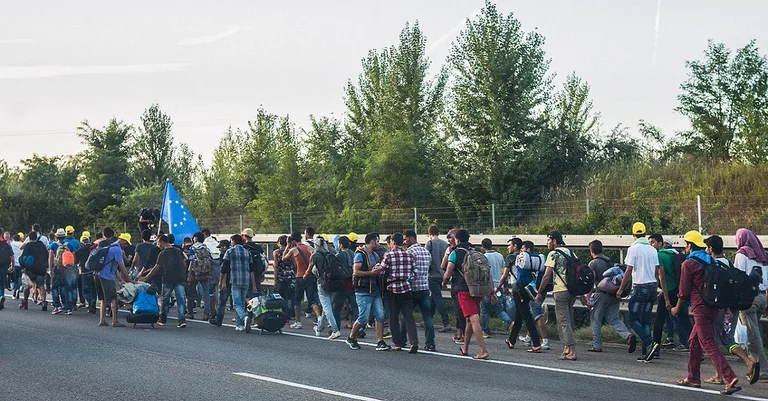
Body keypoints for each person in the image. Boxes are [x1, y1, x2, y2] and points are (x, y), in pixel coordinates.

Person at [673, 231, 742, 395]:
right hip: (714, 307)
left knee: (707, 342)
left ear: (689, 246)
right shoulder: (712, 261)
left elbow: (683, 291)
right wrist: (725, 309)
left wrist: (676, 308)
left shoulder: (688, 264)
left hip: (700, 307)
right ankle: (693, 377)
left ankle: (730, 377)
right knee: (694, 340)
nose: (685, 248)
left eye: (686, 245)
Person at [704, 235, 760, 385]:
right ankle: (749, 362)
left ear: (710, 249)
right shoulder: (729, 264)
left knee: (713, 341)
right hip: (733, 308)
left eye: (706, 247)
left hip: (721, 309)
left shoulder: (713, 265)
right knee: (727, 339)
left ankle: (718, 375)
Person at [616, 222, 668, 362]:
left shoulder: (633, 249)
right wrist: (657, 287)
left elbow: (628, 271)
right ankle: (646, 352)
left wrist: (621, 289)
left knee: (632, 319)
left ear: (633, 234)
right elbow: (657, 271)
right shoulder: (652, 249)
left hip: (640, 287)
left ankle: (649, 342)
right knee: (645, 320)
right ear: (645, 234)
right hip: (652, 287)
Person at [585, 240, 636, 353]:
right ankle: (628, 336)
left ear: (591, 251)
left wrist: (588, 297)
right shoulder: (610, 261)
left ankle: (597, 345)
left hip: (601, 294)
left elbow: (591, 281)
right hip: (614, 294)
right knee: (614, 319)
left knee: (595, 319)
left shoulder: (593, 263)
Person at [444, 229, 489, 360]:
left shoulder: (455, 253)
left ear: (457, 239)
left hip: (463, 289)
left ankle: (483, 350)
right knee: (469, 319)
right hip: (478, 289)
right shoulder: (477, 252)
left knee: (473, 318)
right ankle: (465, 348)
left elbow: (448, 272)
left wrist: (444, 282)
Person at [536, 230, 578, 361]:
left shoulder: (553, 254)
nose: (547, 243)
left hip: (560, 290)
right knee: (566, 321)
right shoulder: (571, 252)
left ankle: (571, 351)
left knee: (563, 321)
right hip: (572, 290)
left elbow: (547, 275)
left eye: (548, 240)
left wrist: (539, 292)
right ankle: (566, 348)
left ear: (554, 241)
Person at [733, 228, 768, 383]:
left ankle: (763, 371)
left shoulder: (742, 254)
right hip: (762, 298)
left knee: (753, 337)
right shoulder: (762, 255)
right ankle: (755, 367)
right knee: (755, 334)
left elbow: (738, 277)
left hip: (749, 300)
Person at [346, 233, 391, 351]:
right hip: (363, 290)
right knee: (363, 318)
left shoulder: (375, 255)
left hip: (375, 290)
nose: (378, 243)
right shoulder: (360, 254)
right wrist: (371, 273)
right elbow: (356, 272)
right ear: (372, 241)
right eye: (377, 241)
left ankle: (380, 341)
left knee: (380, 316)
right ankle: (351, 337)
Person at [140, 234, 188, 328]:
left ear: (162, 242)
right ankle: (181, 320)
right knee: (181, 300)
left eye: (158, 243)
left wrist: (146, 277)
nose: (158, 245)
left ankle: (163, 319)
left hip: (167, 278)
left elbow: (156, 268)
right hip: (180, 278)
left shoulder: (163, 253)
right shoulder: (178, 251)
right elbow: (184, 263)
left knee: (165, 300)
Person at [504, 240, 543, 352]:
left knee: (526, 316)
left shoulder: (519, 259)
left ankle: (536, 343)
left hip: (519, 289)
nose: (521, 251)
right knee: (519, 315)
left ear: (528, 249)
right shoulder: (534, 259)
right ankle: (511, 340)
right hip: (529, 288)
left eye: (523, 248)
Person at [403, 230, 435, 351]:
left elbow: (408, 270)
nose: (405, 242)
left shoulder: (410, 252)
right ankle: (430, 343)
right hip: (425, 288)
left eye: (406, 239)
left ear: (411, 238)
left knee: (407, 315)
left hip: (412, 288)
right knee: (427, 317)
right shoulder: (426, 252)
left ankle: (402, 340)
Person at [283, 231, 320, 329]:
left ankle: (298, 322)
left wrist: (287, 245)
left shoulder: (294, 250)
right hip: (311, 276)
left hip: (300, 276)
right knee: (312, 300)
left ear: (293, 240)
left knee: (297, 300)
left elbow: (284, 258)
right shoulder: (309, 248)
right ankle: (319, 317)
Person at [95, 233, 133, 327]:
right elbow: (121, 266)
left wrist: (120, 280)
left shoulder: (109, 247)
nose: (126, 245)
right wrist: (129, 280)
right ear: (123, 241)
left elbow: (113, 266)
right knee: (113, 298)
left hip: (97, 274)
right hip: (107, 276)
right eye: (126, 243)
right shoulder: (117, 249)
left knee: (103, 299)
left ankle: (102, 320)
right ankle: (115, 321)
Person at [310, 236, 342, 339]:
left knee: (327, 308)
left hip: (322, 283)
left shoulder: (315, 256)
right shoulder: (331, 254)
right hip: (334, 283)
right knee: (326, 307)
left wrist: (306, 275)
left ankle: (335, 330)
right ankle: (319, 328)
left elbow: (310, 270)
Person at [224, 234, 256, 331]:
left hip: (235, 279)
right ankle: (240, 325)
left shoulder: (230, 251)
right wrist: (254, 284)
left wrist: (222, 281)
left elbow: (224, 268)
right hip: (245, 280)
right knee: (242, 302)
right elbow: (251, 270)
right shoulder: (247, 252)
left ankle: (244, 317)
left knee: (236, 303)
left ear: (233, 241)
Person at [481, 238, 512, 338]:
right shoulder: (500, 256)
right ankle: (509, 322)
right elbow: (504, 273)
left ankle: (485, 331)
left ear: (483, 247)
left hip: (488, 286)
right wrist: (505, 286)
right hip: (499, 286)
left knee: (485, 310)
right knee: (499, 309)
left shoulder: (483, 257)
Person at [425, 225, 451, 332]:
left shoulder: (429, 243)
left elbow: (426, 258)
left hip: (432, 275)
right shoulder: (445, 244)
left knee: (437, 297)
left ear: (429, 233)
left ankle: (446, 322)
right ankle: (428, 319)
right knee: (434, 298)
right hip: (443, 274)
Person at [441, 228, 465, 344]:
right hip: (473, 284)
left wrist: (448, 253)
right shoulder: (473, 250)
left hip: (458, 284)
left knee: (459, 310)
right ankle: (461, 333)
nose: (449, 239)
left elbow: (443, 266)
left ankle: (462, 335)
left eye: (451, 237)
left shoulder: (454, 252)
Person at [332, 236, 357, 331]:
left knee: (337, 307)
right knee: (354, 306)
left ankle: (336, 328)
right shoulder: (353, 253)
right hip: (353, 282)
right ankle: (358, 327)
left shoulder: (339, 255)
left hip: (343, 283)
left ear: (340, 244)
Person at [186, 232, 213, 321]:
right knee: (206, 293)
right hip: (205, 272)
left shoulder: (193, 248)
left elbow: (191, 261)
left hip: (195, 272)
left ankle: (190, 312)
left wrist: (189, 274)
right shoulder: (206, 247)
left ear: (196, 238)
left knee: (191, 291)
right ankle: (206, 313)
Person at [20, 231, 49, 311]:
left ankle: (25, 302)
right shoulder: (41, 245)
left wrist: (22, 267)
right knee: (41, 286)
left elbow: (23, 257)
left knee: (27, 286)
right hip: (41, 268)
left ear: (29, 238)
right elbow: (47, 255)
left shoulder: (28, 246)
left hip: (30, 269)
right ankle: (43, 302)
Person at [201, 228, 221, 321]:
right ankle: (218, 311)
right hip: (220, 269)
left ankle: (210, 312)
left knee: (209, 292)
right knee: (219, 292)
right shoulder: (216, 243)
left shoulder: (204, 245)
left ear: (204, 235)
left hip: (210, 270)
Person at [211, 239, 232, 326]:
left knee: (222, 301)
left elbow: (224, 270)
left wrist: (221, 281)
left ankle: (219, 320)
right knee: (239, 301)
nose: (220, 249)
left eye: (221, 247)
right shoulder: (232, 253)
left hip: (226, 280)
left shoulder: (225, 255)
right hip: (235, 280)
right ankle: (242, 320)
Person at [10, 234, 23, 300]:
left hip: (13, 263)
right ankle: (17, 288)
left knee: (13, 278)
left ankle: (14, 290)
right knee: (19, 277)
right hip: (20, 263)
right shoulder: (22, 244)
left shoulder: (11, 244)